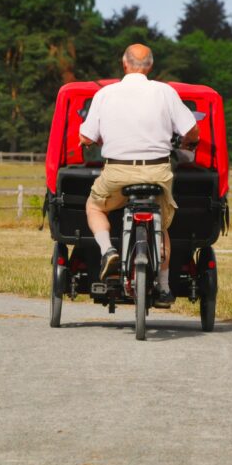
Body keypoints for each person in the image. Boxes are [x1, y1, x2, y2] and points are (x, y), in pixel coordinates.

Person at [78, 44, 199, 307]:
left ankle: (107, 250)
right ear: (150, 67)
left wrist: (91, 140)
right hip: (156, 171)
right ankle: (165, 286)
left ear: (124, 64)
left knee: (94, 206)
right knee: (162, 224)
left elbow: (86, 135)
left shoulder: (106, 94)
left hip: (117, 172)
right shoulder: (165, 92)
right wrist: (190, 142)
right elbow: (192, 130)